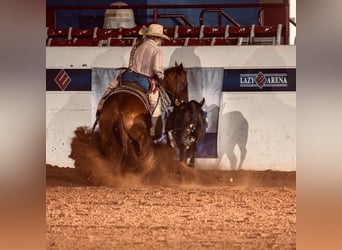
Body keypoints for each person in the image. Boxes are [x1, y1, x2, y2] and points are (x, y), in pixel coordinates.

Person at [120, 23, 170, 144]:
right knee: (155, 102)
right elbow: (157, 70)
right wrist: (162, 77)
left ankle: (100, 108)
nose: (161, 41)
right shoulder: (157, 50)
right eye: (161, 39)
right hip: (142, 80)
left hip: (128, 76)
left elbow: (131, 63)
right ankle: (153, 130)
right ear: (158, 38)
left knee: (113, 87)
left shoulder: (138, 46)